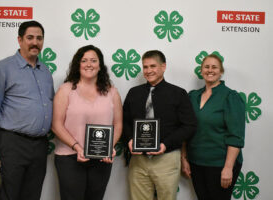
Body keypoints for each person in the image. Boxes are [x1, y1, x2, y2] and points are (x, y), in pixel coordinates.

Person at [0, 20, 54, 200]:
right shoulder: (3, 68)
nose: (35, 42)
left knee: (32, 195)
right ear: (19, 40)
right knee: (7, 196)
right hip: (11, 145)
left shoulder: (46, 72)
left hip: (40, 145)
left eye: (39, 38)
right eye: (30, 38)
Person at [123, 50, 197, 200]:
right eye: (145, 67)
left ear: (163, 67)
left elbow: (189, 125)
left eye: (153, 66)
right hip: (138, 161)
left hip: (167, 159)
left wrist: (166, 144)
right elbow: (124, 122)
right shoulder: (133, 93)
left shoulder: (178, 93)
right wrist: (130, 140)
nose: (148, 71)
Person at [52, 45, 123, 200]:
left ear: (100, 65)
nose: (89, 64)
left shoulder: (112, 92)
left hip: (101, 158)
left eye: (93, 60)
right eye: (84, 60)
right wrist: (77, 147)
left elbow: (118, 124)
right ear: (78, 65)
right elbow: (56, 125)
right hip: (69, 157)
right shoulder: (66, 89)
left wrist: (110, 146)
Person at [181, 54, 245, 200]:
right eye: (206, 67)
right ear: (201, 70)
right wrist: (184, 158)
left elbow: (236, 136)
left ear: (221, 71)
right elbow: (186, 129)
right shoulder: (192, 96)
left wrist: (228, 168)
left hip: (220, 164)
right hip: (196, 162)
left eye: (214, 67)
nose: (210, 70)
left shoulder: (231, 97)